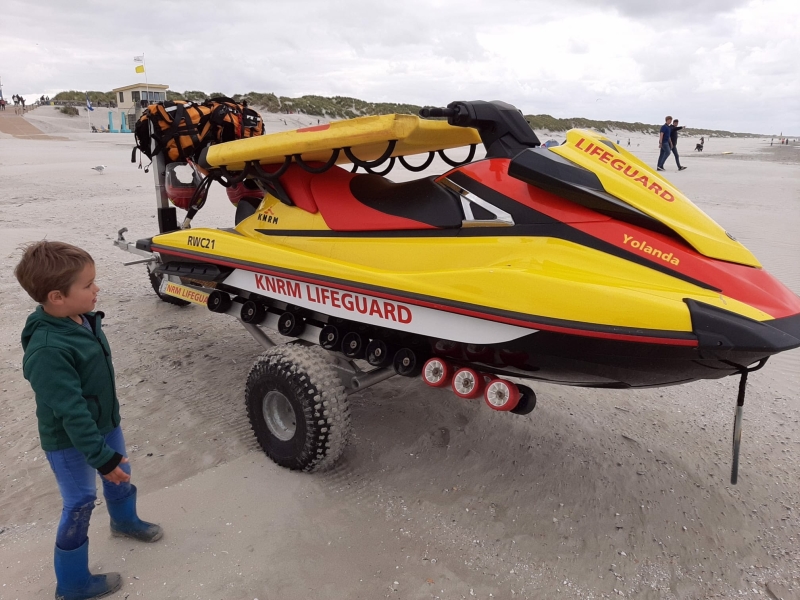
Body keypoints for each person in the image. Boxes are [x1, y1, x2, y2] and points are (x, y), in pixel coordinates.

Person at [15, 241, 163, 600]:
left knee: (120, 474)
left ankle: (124, 521)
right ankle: (72, 584)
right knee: (80, 502)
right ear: (56, 297)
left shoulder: (80, 319)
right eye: (87, 285)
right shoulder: (48, 350)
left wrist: (108, 452)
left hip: (105, 424)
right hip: (69, 440)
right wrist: (101, 458)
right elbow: (71, 413)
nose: (97, 289)